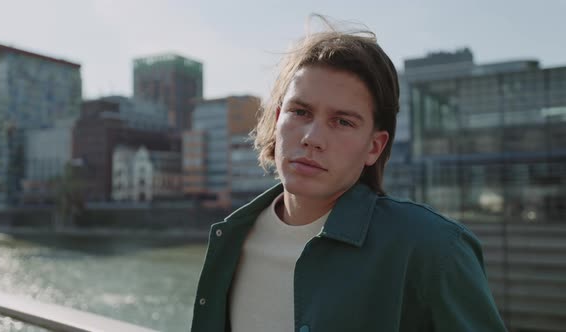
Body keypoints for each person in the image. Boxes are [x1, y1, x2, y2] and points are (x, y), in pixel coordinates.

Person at [191, 16, 507, 332]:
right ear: (277, 120)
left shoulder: (434, 249)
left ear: (374, 146)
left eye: (342, 122)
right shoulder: (232, 237)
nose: (311, 137)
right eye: (300, 112)